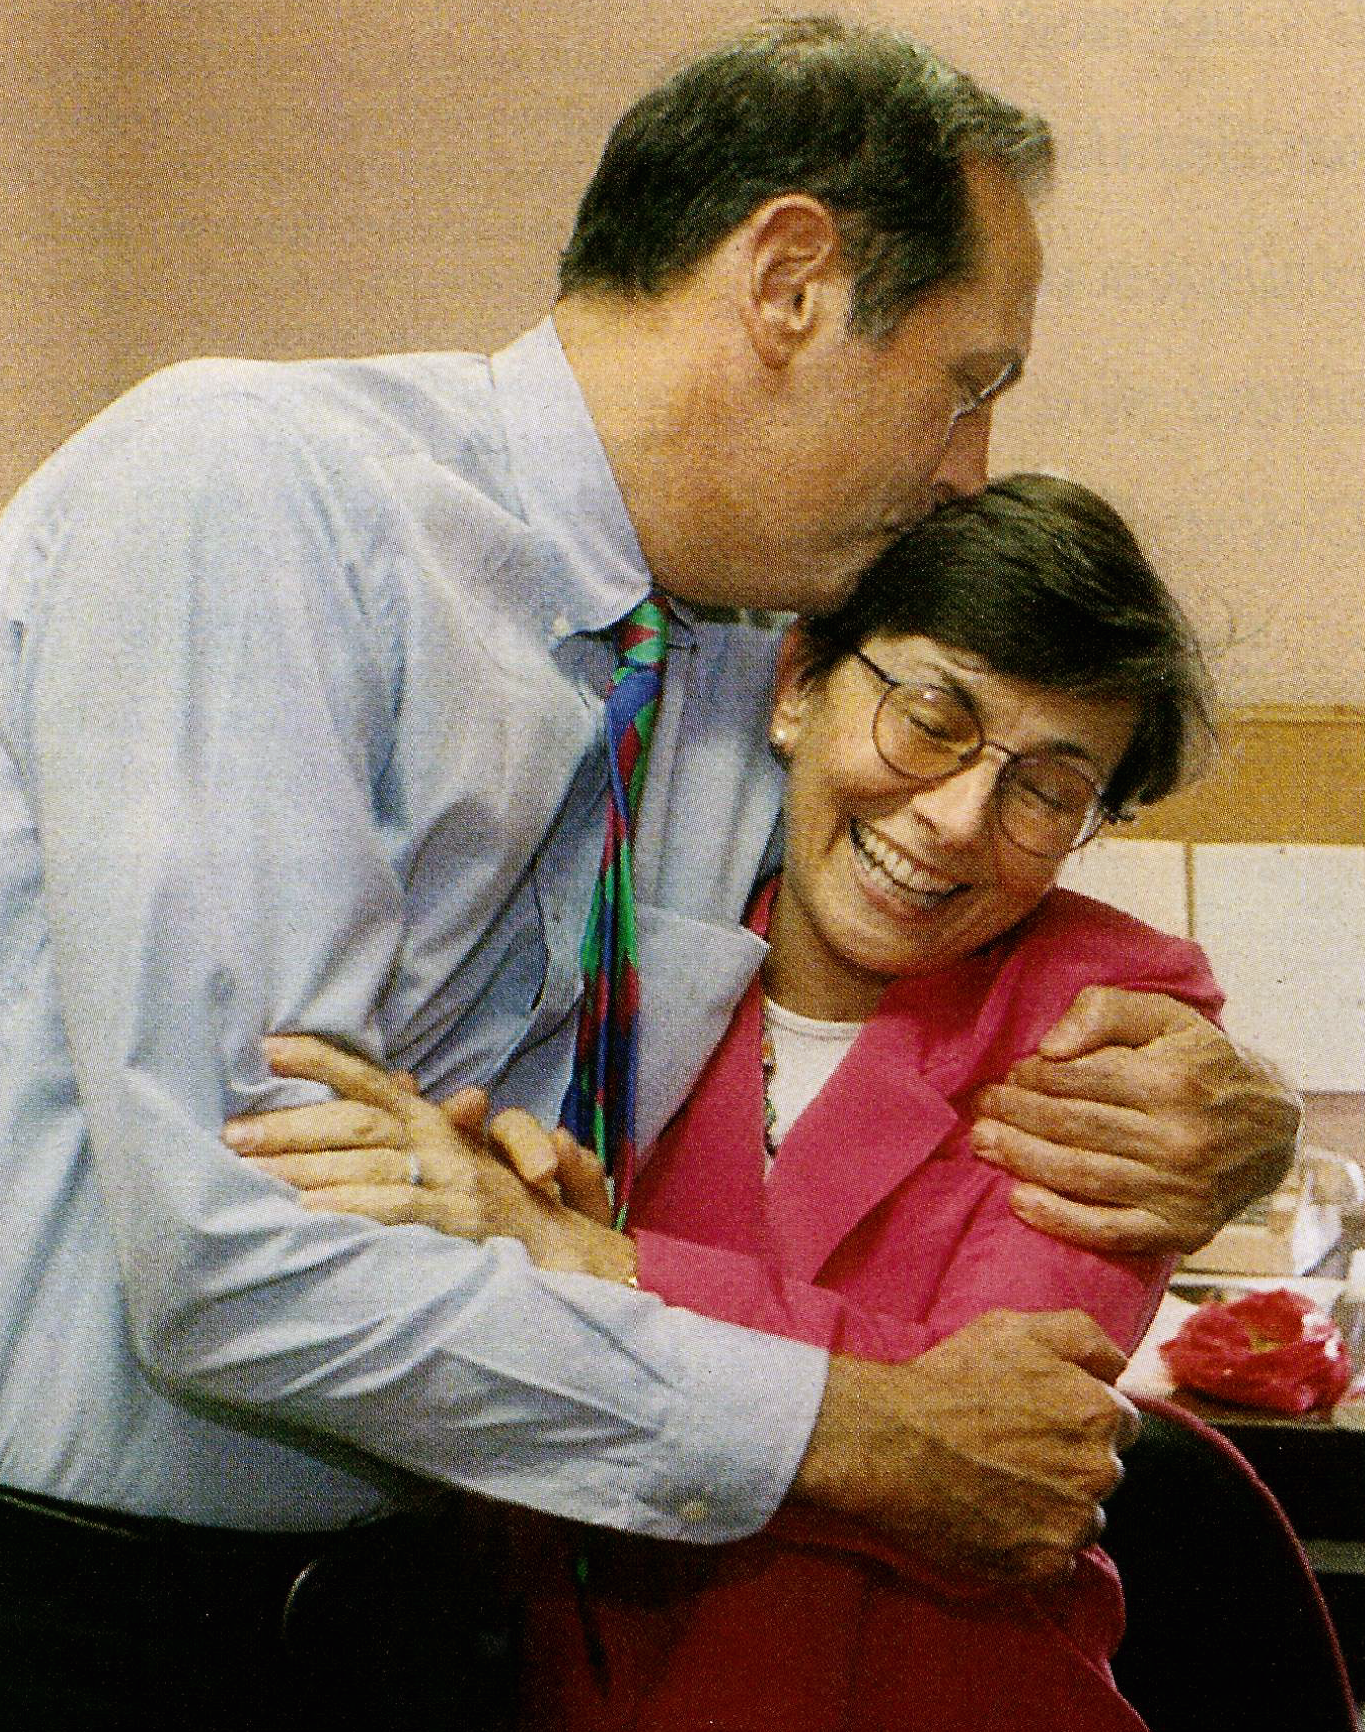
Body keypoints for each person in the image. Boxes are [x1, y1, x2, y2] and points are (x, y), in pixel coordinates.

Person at [0, 14, 1296, 1728]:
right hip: (95, 1621)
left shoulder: (732, 659)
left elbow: (979, 899)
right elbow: (236, 1271)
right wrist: (862, 1437)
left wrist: (1242, 1113)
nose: (965, 469)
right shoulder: (263, 496)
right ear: (790, 283)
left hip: (447, 1618)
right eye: (967, 383)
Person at [233, 472, 1221, 1731]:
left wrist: (583, 1266)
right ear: (798, 686)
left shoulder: (1110, 1014)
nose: (957, 817)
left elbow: (1005, 1451)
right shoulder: (609, 975)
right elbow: (512, 1441)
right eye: (931, 719)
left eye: (1049, 790)